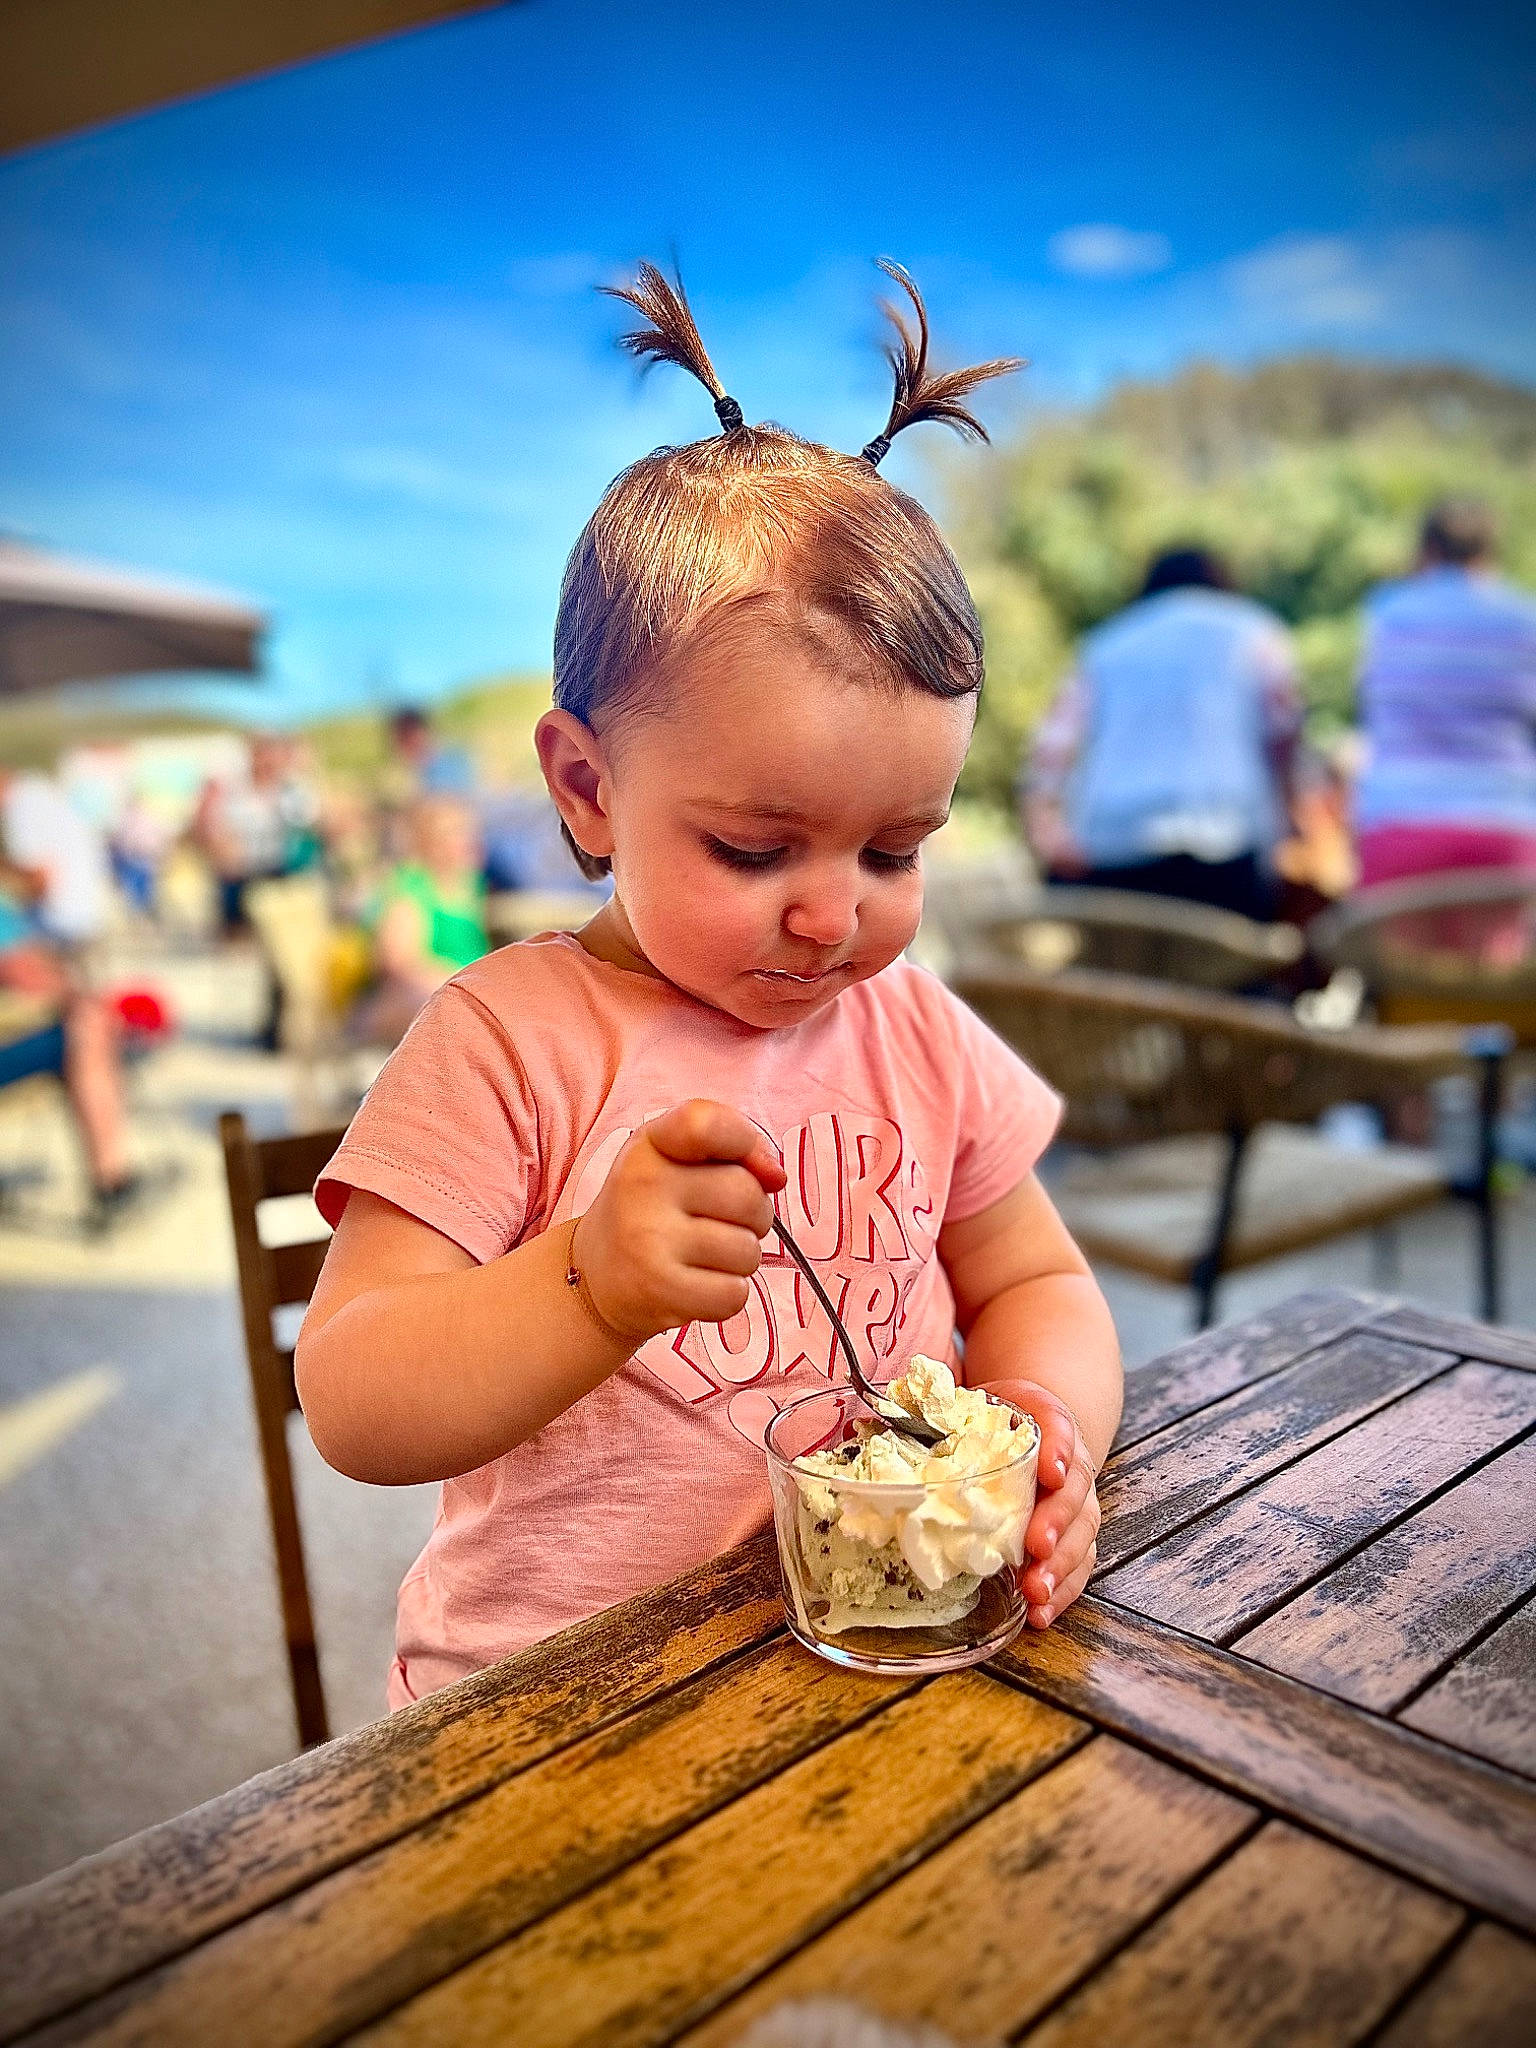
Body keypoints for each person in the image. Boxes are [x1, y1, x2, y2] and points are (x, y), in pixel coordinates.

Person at [297, 262, 1121, 1710]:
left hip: (882, 1661)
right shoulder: (505, 1043)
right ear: (587, 786)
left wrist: (1047, 1429)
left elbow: (1036, 1280)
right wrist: (586, 1285)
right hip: (555, 1714)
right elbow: (353, 1395)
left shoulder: (915, 1032)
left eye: (894, 848)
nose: (832, 913)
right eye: (754, 845)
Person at [1022, 548, 1302, 921]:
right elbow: (1285, 733)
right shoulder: (1255, 632)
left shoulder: (1106, 645)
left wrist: (1048, 837)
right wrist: (1290, 821)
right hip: (1229, 850)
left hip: (1112, 856)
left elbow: (1048, 754)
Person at [1353, 498, 1536, 886]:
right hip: (1508, 832)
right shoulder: (1524, 618)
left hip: (1398, 825)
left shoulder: (1386, 612)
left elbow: (1370, 708)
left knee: (1396, 949)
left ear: (1427, 550)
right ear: (1490, 550)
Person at [0, 770, 141, 1226]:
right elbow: (18, 967)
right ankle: (111, 1180)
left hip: (32, 989)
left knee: (87, 1023)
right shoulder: (31, 803)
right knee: (86, 1027)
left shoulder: (26, 806)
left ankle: (112, 1178)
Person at [353, 794, 490, 1043]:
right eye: (455, 833)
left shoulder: (469, 885)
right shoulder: (411, 888)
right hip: (413, 998)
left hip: (464, 992)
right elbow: (399, 963)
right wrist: (464, 983)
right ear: (430, 842)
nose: (467, 842)